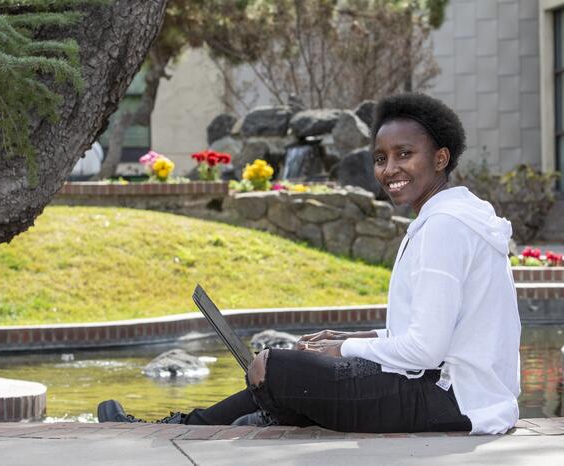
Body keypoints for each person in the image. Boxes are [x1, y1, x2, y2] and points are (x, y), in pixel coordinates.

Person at [97, 93, 521, 435]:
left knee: (275, 367)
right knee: (296, 364)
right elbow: (437, 335)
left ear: (441, 158)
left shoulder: (444, 227)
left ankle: (223, 423)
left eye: (404, 154)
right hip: (458, 393)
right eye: (380, 158)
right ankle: (194, 426)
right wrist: (351, 337)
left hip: (450, 401)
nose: (390, 169)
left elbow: (426, 350)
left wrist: (342, 348)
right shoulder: (455, 217)